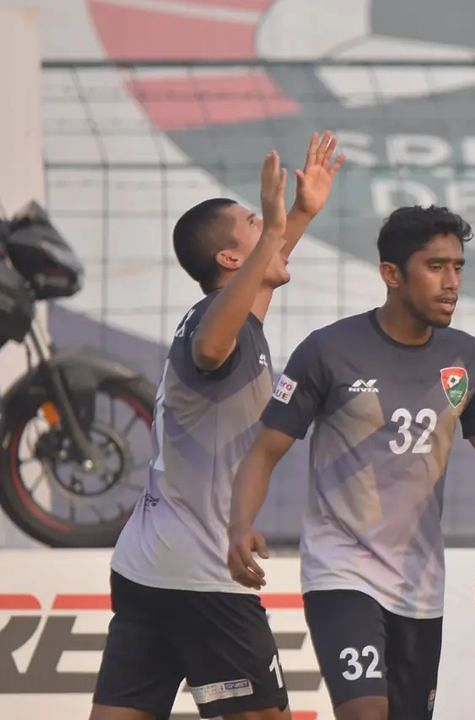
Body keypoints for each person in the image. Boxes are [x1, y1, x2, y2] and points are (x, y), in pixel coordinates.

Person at [226, 205, 475, 720]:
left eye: (458, 267)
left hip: (420, 585)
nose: (452, 282)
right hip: (342, 571)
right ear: (391, 275)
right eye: (436, 266)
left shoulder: (467, 358)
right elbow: (263, 451)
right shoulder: (328, 351)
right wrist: (240, 524)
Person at [92, 133, 345, 720]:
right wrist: (283, 221)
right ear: (231, 260)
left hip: (146, 568)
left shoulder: (235, 314)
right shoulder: (214, 327)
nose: (274, 231)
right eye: (260, 223)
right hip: (204, 573)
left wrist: (301, 213)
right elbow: (211, 347)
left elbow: (256, 284)